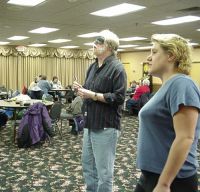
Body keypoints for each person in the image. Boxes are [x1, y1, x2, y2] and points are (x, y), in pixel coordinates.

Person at [135, 34, 200, 192]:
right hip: (152, 175)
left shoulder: (181, 84)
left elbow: (185, 137)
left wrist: (164, 183)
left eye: (154, 52)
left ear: (171, 55)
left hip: (174, 180)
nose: (148, 57)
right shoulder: (166, 86)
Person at [73, 29, 127, 192]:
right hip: (90, 123)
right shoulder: (92, 66)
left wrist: (94, 95)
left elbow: (119, 98)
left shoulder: (117, 68)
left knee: (104, 172)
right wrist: (82, 90)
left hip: (106, 126)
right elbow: (90, 91)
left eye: (98, 42)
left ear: (109, 46)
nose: (94, 45)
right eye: (95, 42)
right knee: (88, 166)